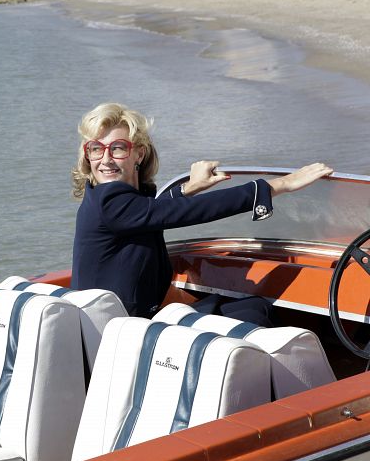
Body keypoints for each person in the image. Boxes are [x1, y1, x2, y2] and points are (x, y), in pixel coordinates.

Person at [70, 103, 332, 318]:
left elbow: (151, 210)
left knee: (242, 308)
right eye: (96, 149)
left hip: (120, 324)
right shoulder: (110, 200)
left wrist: (189, 188)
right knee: (255, 312)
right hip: (117, 332)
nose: (105, 159)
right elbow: (194, 211)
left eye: (117, 148)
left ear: (139, 153)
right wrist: (278, 185)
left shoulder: (110, 201)